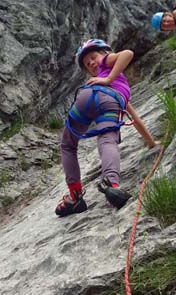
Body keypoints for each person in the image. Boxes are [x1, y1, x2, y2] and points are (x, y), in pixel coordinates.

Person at [55, 38, 159, 217]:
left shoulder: (106, 64)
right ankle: (111, 184)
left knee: (68, 145)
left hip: (86, 98)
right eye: (88, 63)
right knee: (107, 140)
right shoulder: (112, 76)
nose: (92, 63)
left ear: (103, 53)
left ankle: (75, 197)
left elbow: (126, 54)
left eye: (93, 57)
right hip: (109, 100)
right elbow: (127, 54)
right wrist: (109, 78)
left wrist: (150, 142)